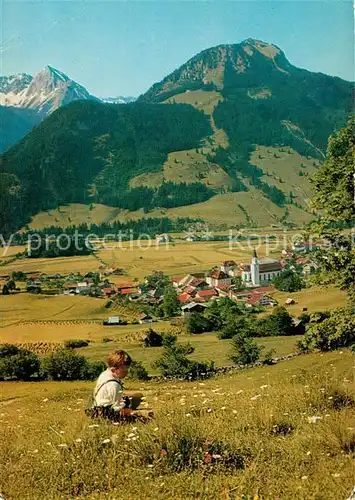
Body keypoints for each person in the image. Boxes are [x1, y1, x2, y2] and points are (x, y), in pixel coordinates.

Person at [86, 349, 145, 422]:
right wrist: (134, 413)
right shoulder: (114, 385)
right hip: (106, 413)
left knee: (138, 396)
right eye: (125, 370)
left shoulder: (104, 374)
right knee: (142, 413)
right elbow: (117, 410)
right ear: (114, 369)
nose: (127, 372)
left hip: (97, 407)